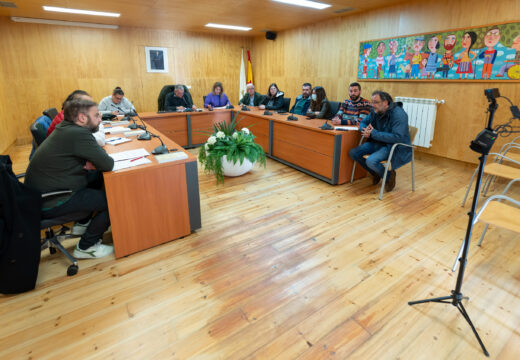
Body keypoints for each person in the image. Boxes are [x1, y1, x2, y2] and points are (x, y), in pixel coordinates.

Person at [25, 99, 115, 258]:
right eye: (96, 115)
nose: (100, 119)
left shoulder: (66, 128)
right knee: (115, 200)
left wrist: (93, 164)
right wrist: (96, 163)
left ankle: (82, 225)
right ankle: (87, 246)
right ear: (82, 118)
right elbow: (108, 163)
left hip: (43, 193)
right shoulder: (79, 133)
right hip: (52, 200)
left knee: (97, 179)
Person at [349, 90, 411, 192]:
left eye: (376, 102)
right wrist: (365, 130)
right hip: (377, 142)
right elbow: (363, 122)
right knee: (353, 153)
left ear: (385, 103)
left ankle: (389, 175)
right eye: (372, 102)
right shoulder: (376, 110)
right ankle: (377, 172)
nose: (372, 105)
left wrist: (373, 133)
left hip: (392, 146)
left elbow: (398, 137)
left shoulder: (399, 114)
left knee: (371, 161)